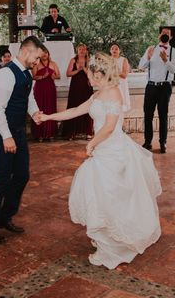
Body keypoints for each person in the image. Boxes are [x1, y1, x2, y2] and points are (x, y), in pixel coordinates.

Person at [36, 53, 161, 269]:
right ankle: (106, 239)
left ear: (100, 74)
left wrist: (92, 143)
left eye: (90, 74)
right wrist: (48, 117)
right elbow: (75, 111)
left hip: (113, 151)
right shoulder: (97, 94)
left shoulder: (114, 94)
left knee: (113, 197)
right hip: (102, 150)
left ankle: (114, 245)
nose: (88, 77)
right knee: (100, 197)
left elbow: (110, 126)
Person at [0, 36, 45, 244]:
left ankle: (4, 216)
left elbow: (29, 99)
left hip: (17, 132)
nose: (38, 62)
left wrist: (34, 113)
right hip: (2, 135)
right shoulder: (6, 74)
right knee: (1, 179)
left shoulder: (27, 74)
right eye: (37, 57)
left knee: (22, 176)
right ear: (26, 51)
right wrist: (6, 137)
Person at [138, 27, 175, 153]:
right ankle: (148, 142)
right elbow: (141, 66)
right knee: (148, 115)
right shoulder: (151, 49)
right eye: (163, 33)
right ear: (159, 35)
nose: (165, 35)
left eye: (167, 33)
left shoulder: (174, 51)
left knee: (163, 115)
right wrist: (148, 57)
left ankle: (163, 142)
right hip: (151, 86)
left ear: (171, 37)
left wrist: (166, 60)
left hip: (165, 87)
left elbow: (174, 70)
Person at [64, 43, 94, 140]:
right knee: (74, 106)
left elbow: (92, 75)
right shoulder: (73, 60)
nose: (82, 51)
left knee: (87, 108)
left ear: (86, 51)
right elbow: (68, 73)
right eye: (80, 49)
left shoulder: (89, 60)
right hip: (75, 87)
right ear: (77, 51)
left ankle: (88, 132)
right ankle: (71, 132)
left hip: (86, 87)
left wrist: (84, 69)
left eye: (83, 49)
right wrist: (78, 70)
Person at [32, 47, 60, 142]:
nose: (45, 55)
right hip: (40, 89)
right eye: (43, 53)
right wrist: (43, 76)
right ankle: (39, 134)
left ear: (48, 54)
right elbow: (33, 76)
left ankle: (50, 133)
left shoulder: (53, 64)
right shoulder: (36, 63)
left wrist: (53, 76)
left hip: (50, 89)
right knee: (40, 108)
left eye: (46, 53)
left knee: (50, 109)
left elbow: (58, 75)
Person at [110, 43, 131, 112]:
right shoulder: (107, 60)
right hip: (110, 84)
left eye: (116, 49)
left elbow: (124, 75)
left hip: (121, 84)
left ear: (119, 51)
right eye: (112, 49)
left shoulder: (124, 60)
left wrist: (115, 69)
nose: (114, 50)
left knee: (120, 106)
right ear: (110, 51)